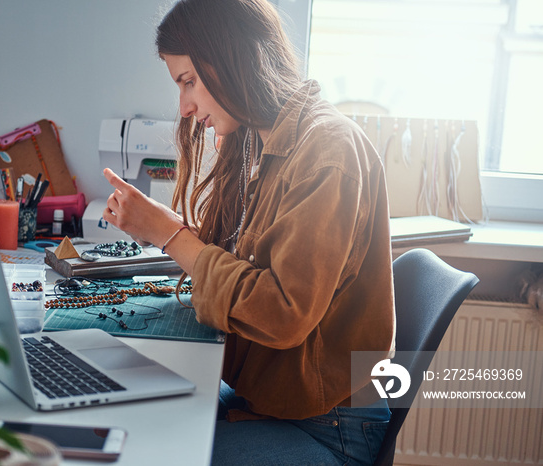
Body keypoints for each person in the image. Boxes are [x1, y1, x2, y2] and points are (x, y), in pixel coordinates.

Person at [102, 0, 395, 464]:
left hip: (329, 424)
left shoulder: (327, 151)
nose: (184, 107)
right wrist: (159, 226)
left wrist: (171, 234)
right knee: (132, 425)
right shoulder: (261, 137)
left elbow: (282, 311)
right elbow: (247, 250)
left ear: (233, 58)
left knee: (152, 455)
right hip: (271, 401)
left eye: (189, 82)